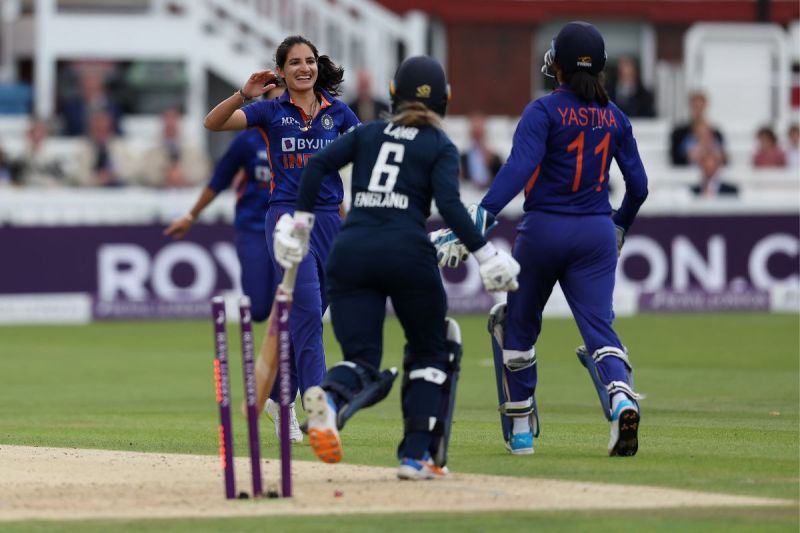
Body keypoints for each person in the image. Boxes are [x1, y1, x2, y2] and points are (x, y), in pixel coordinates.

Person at [272, 56, 520, 479]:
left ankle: (328, 402)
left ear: (392, 93)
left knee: (363, 360)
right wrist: (485, 254)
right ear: (444, 100)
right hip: (407, 251)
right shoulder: (438, 145)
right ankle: (413, 457)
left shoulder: (368, 132)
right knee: (428, 351)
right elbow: (449, 206)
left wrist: (302, 224)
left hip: (351, 253)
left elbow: (316, 166)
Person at [435, 21, 648, 457]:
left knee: (517, 324)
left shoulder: (543, 111)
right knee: (599, 328)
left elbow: (517, 169)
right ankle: (621, 398)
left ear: (560, 67)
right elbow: (639, 185)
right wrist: (620, 224)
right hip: (595, 233)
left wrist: (482, 215)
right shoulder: (616, 116)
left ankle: (520, 433)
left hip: (544, 229)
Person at [203, 35, 361, 432]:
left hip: (329, 220)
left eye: (309, 61)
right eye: (294, 63)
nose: (304, 68)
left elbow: (370, 149)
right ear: (282, 70)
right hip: (288, 219)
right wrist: (243, 94)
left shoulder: (338, 113)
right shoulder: (270, 111)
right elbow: (213, 123)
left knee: (305, 317)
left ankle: (278, 400)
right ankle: (319, 411)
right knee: (306, 309)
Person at [139, 108, 210, 188]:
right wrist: (165, 176)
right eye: (167, 119)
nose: (170, 123)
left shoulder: (194, 152)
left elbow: (203, 172)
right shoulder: (150, 153)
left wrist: (183, 177)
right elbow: (144, 174)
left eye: (173, 119)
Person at [74, 109, 135, 187]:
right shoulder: (82, 148)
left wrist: (112, 175)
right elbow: (78, 176)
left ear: (110, 129)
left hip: (117, 192)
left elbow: (131, 172)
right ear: (90, 129)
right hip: (90, 192)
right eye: (98, 130)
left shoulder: (120, 147)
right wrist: (96, 178)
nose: (101, 134)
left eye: (104, 130)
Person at [670, 91, 726, 166]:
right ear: (690, 106)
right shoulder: (678, 133)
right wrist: (691, 156)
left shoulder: (716, 133)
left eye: (700, 106)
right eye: (695, 106)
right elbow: (675, 158)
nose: (698, 110)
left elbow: (724, 159)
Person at [11, 119, 70, 187]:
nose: (37, 136)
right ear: (29, 135)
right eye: (34, 133)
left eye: (40, 133)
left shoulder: (52, 158)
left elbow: (60, 178)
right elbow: (16, 179)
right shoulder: (20, 158)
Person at [460, 113, 503, 189]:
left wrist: (492, 163)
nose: (477, 135)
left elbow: (502, 178)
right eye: (475, 131)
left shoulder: (495, 157)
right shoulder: (463, 158)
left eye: (480, 132)